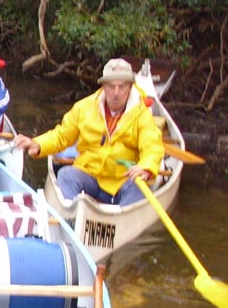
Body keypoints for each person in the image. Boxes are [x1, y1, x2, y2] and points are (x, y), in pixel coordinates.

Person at [13, 58, 164, 206]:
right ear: (103, 86)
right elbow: (62, 136)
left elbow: (152, 147)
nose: (116, 93)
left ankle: (120, 218)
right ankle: (72, 215)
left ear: (131, 87)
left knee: (140, 185)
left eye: (122, 86)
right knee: (66, 175)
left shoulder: (142, 114)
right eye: (111, 86)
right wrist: (37, 143)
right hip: (90, 174)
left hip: (122, 181)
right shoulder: (83, 108)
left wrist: (146, 166)